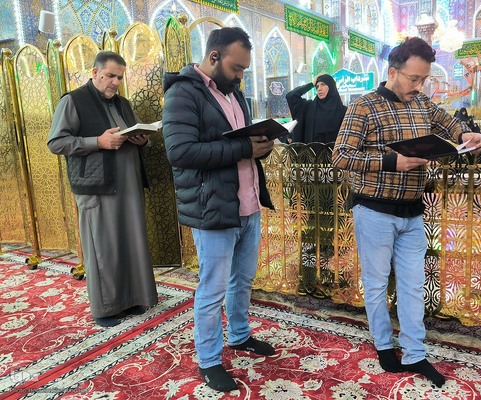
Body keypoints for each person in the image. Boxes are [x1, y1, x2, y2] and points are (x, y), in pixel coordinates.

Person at [332, 37, 481, 388]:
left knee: (413, 285)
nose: (419, 86)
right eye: (413, 78)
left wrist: (467, 135)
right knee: (376, 283)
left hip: (413, 212)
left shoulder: (422, 104)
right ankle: (385, 346)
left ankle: (415, 352)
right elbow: (340, 156)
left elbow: (450, 124)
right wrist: (392, 161)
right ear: (393, 71)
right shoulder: (364, 106)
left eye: (424, 79)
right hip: (374, 210)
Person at [162, 27, 275, 393]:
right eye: (236, 67)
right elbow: (180, 152)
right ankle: (209, 360)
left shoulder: (234, 94)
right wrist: (245, 149)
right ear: (214, 57)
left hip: (247, 204)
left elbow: (241, 143)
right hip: (213, 209)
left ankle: (240, 335)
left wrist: (262, 144)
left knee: (242, 280)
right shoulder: (183, 93)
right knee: (212, 289)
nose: (241, 76)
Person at [47, 51, 158, 327]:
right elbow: (56, 143)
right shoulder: (73, 101)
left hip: (129, 183)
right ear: (95, 72)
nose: (115, 82)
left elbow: (137, 134)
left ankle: (132, 299)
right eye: (110, 76)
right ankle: (105, 308)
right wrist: (97, 142)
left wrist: (143, 141)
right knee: (103, 247)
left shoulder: (123, 103)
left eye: (119, 77)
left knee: (130, 241)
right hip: (96, 186)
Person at [286, 73, 347, 143]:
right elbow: (291, 96)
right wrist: (311, 84)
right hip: (310, 149)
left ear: (331, 86)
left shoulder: (343, 111)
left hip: (334, 149)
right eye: (317, 86)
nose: (319, 89)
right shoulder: (309, 107)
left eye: (323, 84)